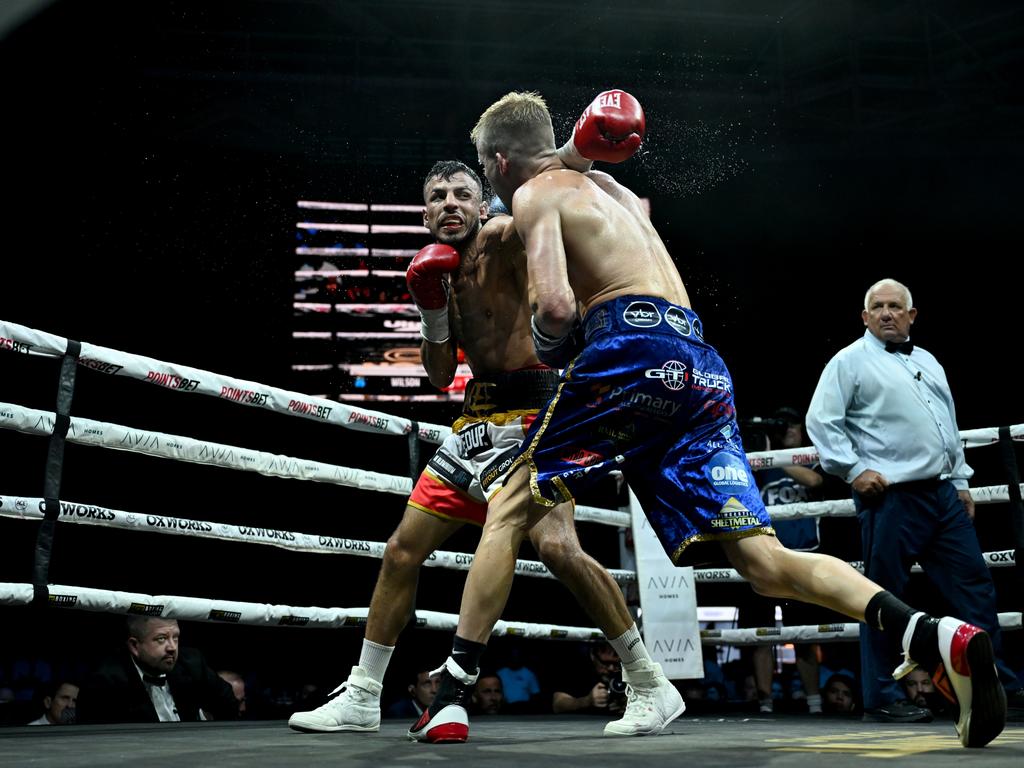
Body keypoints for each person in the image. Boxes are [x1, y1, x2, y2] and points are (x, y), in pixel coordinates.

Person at [409, 90, 1006, 749]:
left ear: (496, 162)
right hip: (700, 366)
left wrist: (554, 354)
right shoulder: (607, 185)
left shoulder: (533, 196)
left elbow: (553, 309)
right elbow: (589, 181)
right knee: (764, 562)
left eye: (484, 172)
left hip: (628, 352)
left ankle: (452, 694)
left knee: (511, 506)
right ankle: (934, 633)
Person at [289, 150, 678, 738]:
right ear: (424, 215)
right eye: (437, 198)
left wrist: (570, 154)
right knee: (400, 551)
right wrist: (430, 312)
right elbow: (442, 376)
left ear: (481, 203)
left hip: (539, 411)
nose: (450, 205)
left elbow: (537, 215)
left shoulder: (503, 236)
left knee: (557, 550)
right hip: (475, 420)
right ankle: (364, 694)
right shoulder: (438, 272)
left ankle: (648, 681)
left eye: (461, 195)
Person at [805, 278, 1021, 724]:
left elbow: (947, 424)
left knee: (974, 587)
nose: (886, 313)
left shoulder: (927, 360)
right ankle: (881, 695)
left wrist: (961, 481)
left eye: (895, 306)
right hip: (892, 499)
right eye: (877, 307)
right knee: (882, 597)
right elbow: (821, 421)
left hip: (941, 495)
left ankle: (997, 684)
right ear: (864, 317)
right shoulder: (848, 361)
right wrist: (852, 469)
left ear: (911, 315)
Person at [739, 407, 827, 715]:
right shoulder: (757, 461)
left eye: (792, 425)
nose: (788, 430)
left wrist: (775, 455)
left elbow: (815, 481)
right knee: (760, 634)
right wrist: (760, 454)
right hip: (764, 556)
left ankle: (814, 703)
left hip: (803, 556)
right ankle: (765, 704)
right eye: (783, 426)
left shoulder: (810, 455)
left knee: (804, 634)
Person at [76, 616, 238, 724]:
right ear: (134, 646)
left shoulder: (191, 662)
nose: (172, 648)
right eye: (161, 639)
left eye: (175, 638)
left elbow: (228, 702)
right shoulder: (105, 681)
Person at [551, 642, 627, 717]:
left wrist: (628, 705)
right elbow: (557, 704)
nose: (611, 668)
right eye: (605, 663)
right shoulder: (575, 667)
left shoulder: (625, 670)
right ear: (593, 656)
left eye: (616, 664)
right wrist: (586, 701)